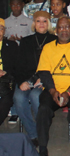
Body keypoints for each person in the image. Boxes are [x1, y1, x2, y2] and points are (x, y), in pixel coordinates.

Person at [36, 16, 70, 156]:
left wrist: (68, 91)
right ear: (56, 30)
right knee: (43, 109)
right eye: (61, 27)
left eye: (67, 27)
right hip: (52, 88)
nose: (64, 30)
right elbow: (44, 72)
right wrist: (53, 91)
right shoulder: (48, 48)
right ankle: (42, 147)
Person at [13, 11, 56, 147]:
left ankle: (41, 131)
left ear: (48, 24)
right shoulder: (26, 41)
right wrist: (21, 82)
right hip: (26, 79)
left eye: (44, 21)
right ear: (34, 23)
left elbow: (56, 65)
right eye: (38, 21)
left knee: (36, 97)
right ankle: (33, 133)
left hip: (45, 80)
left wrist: (43, 79)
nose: (41, 24)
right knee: (18, 98)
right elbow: (18, 65)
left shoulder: (54, 41)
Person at [0, 18, 18, 126]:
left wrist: (5, 73)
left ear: (4, 31)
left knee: (6, 99)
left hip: (6, 80)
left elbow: (16, 67)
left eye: (1, 29)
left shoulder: (12, 46)